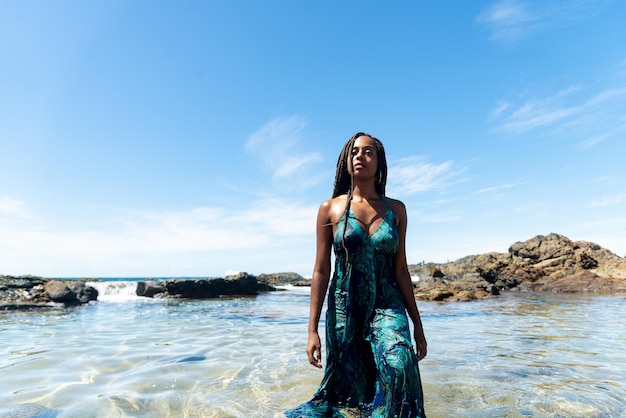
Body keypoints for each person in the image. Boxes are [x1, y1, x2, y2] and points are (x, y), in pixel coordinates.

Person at [285, 132, 427, 417]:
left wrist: (417, 324)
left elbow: (400, 269)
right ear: (346, 161)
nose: (359, 156)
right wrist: (311, 330)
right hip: (344, 308)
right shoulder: (330, 208)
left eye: (368, 152)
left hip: (387, 303)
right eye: (354, 152)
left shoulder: (396, 210)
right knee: (350, 392)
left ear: (379, 161)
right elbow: (321, 270)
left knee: (399, 362)